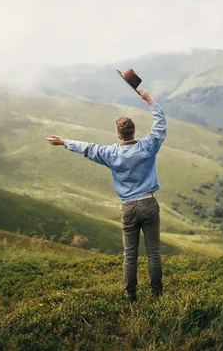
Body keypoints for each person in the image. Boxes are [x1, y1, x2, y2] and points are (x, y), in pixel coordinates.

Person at [46, 89, 167, 303]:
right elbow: (160, 125)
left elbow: (87, 148)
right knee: (153, 253)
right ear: (133, 131)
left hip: (128, 207)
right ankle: (157, 295)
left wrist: (63, 141)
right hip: (149, 203)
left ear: (119, 135)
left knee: (130, 255)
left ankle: (130, 297)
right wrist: (149, 100)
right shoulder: (148, 146)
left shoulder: (110, 153)